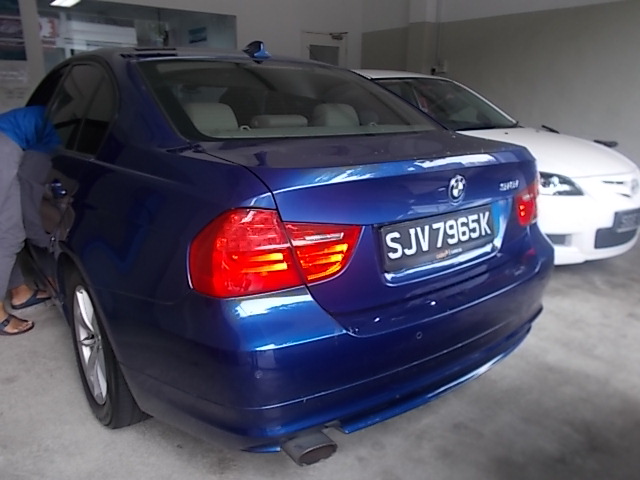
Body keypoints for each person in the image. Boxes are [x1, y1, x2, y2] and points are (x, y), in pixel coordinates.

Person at [0, 105, 59, 336]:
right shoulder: (53, 137)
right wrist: (42, 239)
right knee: (9, 236)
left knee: (6, 231)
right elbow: (28, 189)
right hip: (3, 146)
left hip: (6, 139)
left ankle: (20, 292)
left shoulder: (61, 119)